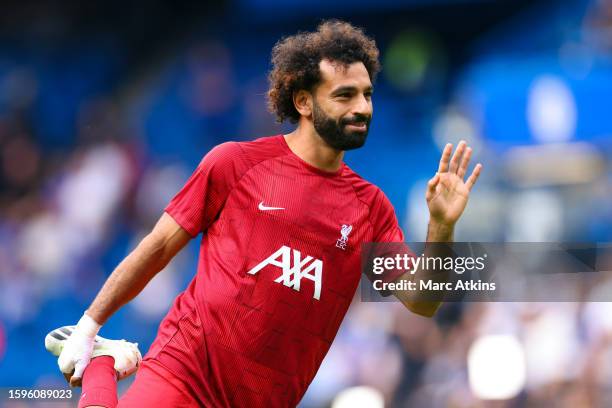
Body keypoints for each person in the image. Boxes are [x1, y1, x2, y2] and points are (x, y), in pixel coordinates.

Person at [48, 19, 482, 407]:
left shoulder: (371, 208)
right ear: (304, 102)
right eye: (345, 95)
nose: (362, 108)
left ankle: (106, 364)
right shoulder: (234, 164)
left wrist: (441, 226)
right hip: (184, 373)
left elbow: (422, 302)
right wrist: (88, 325)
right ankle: (103, 359)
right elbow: (159, 246)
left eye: (367, 95)